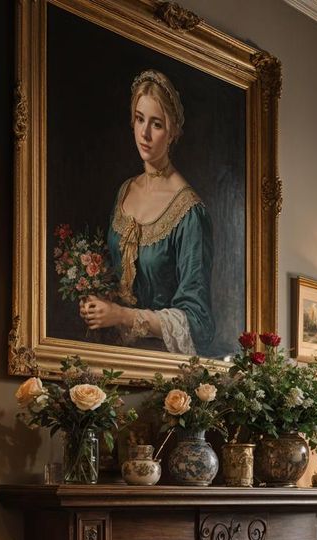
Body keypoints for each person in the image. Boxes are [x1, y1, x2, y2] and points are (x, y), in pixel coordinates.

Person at [80, 69, 215, 355]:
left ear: (173, 131)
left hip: (160, 365)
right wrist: (96, 303)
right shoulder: (125, 190)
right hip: (110, 354)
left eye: (156, 124)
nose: (144, 134)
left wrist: (121, 315)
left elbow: (198, 323)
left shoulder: (189, 212)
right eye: (139, 119)